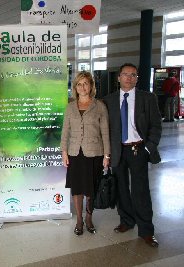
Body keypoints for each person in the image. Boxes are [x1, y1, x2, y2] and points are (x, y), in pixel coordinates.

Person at [104, 63, 162, 248]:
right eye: (125, 74)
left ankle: (146, 230)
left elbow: (156, 126)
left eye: (133, 75)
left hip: (138, 149)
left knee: (141, 190)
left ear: (137, 78)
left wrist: (148, 148)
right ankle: (126, 221)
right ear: (118, 77)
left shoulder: (148, 98)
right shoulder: (108, 100)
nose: (129, 78)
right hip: (118, 150)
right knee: (121, 188)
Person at [60, 71, 110, 236]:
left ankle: (89, 218)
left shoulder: (99, 106)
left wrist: (107, 155)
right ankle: (79, 220)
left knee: (91, 188)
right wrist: (64, 152)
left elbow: (105, 133)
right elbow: (65, 131)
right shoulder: (70, 106)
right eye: (79, 84)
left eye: (86, 83)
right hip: (75, 153)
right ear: (75, 87)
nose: (83, 87)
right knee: (77, 188)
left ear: (91, 86)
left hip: (94, 153)